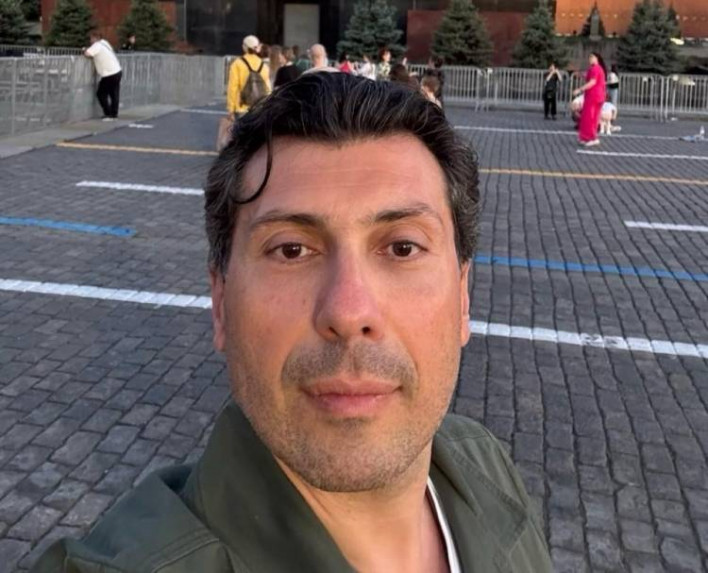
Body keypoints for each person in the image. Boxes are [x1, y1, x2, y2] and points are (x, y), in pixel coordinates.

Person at [31, 73, 552, 573]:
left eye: (402, 247)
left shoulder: (484, 465)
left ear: (462, 297)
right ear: (220, 301)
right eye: (291, 250)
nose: (348, 311)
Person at [226, 34, 271, 116]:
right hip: (259, 107)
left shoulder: (237, 64)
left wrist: (231, 108)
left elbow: (233, 87)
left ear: (245, 47)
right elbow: (267, 88)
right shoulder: (264, 65)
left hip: (241, 107)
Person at [84, 32, 122, 121]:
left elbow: (87, 53)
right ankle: (114, 114)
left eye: (91, 39)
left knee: (101, 93)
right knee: (114, 94)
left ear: (94, 38)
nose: (90, 41)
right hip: (117, 70)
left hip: (109, 73)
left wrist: (84, 50)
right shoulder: (104, 42)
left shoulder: (97, 45)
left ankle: (108, 114)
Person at [572, 51, 606, 147]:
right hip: (596, 96)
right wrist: (581, 75)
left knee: (590, 118)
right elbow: (589, 77)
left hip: (594, 96)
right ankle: (586, 137)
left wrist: (579, 89)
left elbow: (592, 82)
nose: (589, 59)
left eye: (592, 57)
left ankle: (592, 138)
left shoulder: (595, 68)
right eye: (589, 57)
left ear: (597, 58)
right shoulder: (597, 68)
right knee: (589, 117)